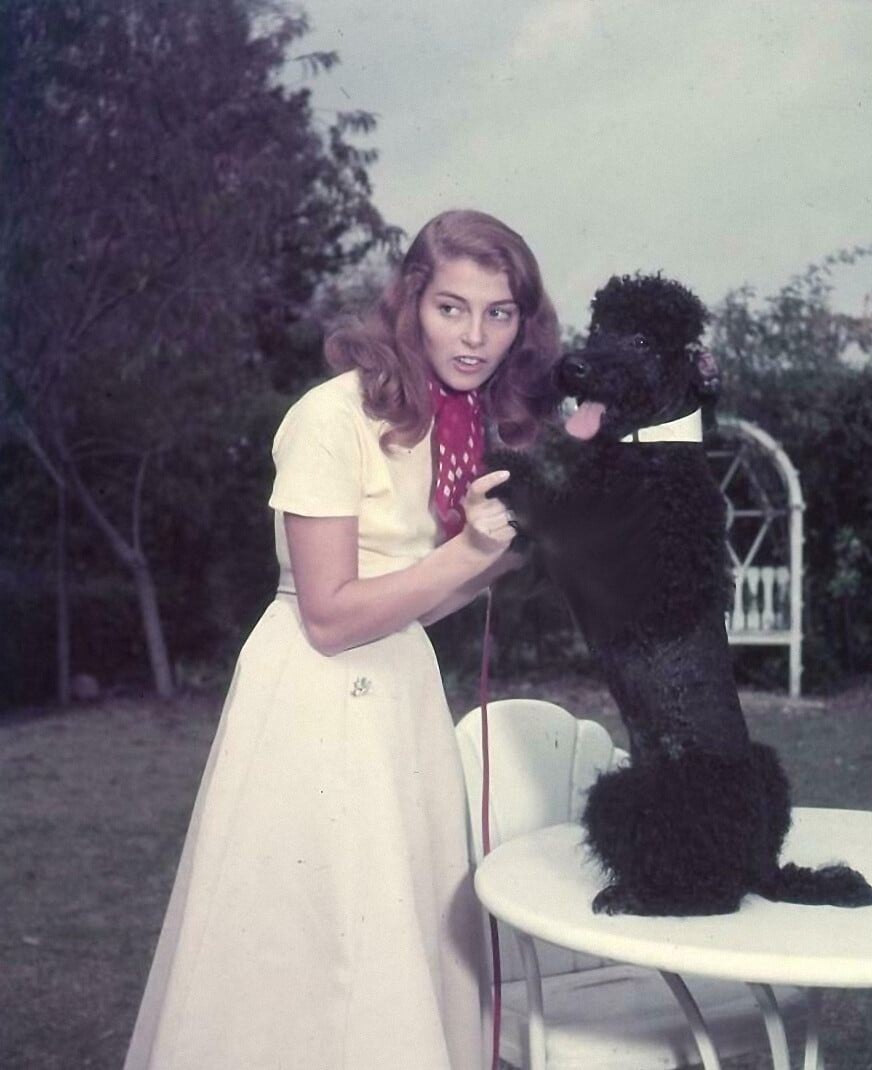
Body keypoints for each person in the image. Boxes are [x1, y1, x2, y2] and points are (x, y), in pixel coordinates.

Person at [124, 209, 562, 1069]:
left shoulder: (458, 423)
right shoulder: (329, 418)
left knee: (394, 928)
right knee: (310, 938)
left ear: (523, 324)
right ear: (411, 303)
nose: (475, 337)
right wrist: (468, 554)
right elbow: (328, 616)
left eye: (499, 313)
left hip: (400, 686)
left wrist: (506, 559)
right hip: (314, 695)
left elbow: (411, 606)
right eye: (451, 308)